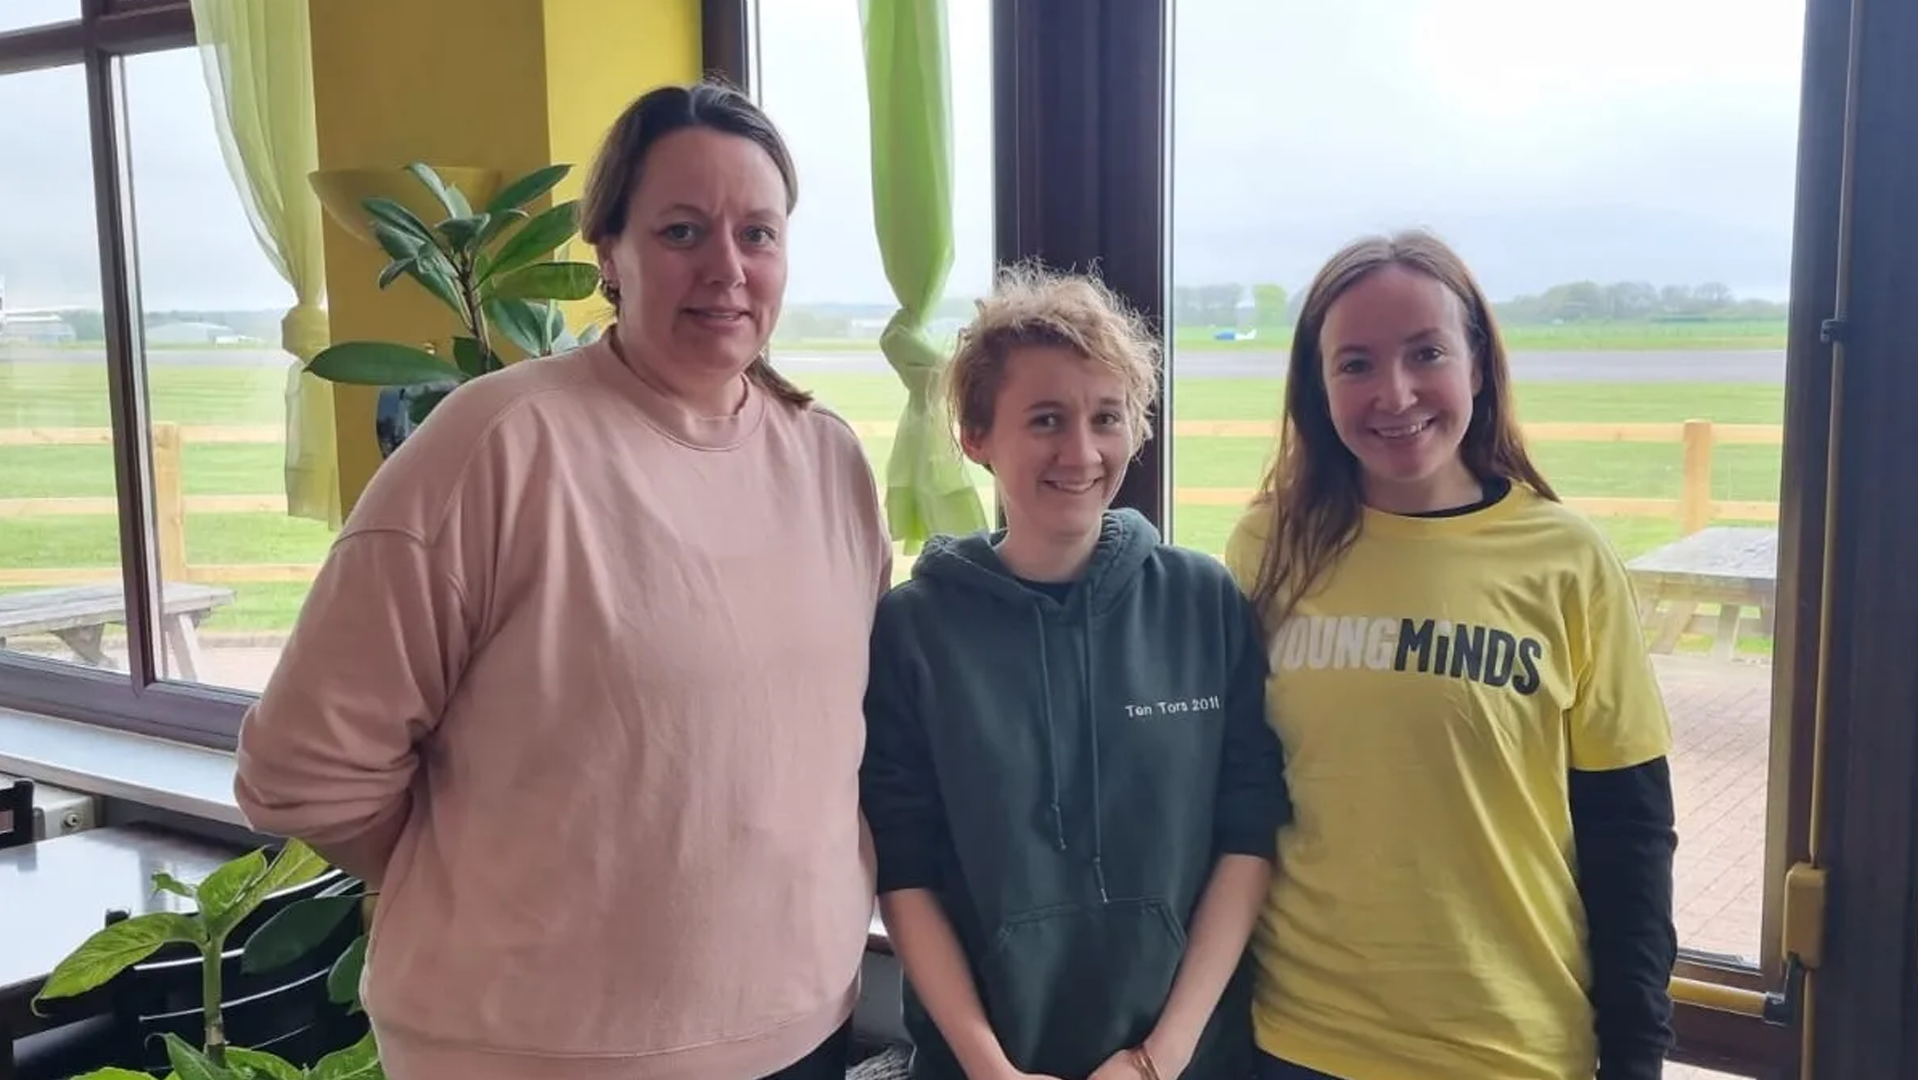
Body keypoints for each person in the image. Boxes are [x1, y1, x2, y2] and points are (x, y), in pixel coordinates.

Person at [231, 80, 893, 1080]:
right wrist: (502, 889)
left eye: (757, 234)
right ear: (609, 255)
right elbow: (303, 772)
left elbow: (833, 737)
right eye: (681, 230)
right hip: (533, 1055)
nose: (726, 267)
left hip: (803, 1030)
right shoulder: (498, 445)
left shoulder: (829, 460)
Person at [1222, 229, 1679, 1080]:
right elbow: (1230, 798)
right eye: (1354, 363)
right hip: (1298, 1042)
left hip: (1512, 1047)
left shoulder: (1568, 559)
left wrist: (1637, 1053)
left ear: (1477, 364)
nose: (1393, 394)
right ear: (1318, 390)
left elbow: (1632, 828)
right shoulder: (1267, 549)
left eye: (1425, 352)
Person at [860, 263, 1292, 1080]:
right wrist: (990, 1069)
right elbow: (905, 868)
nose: (1082, 452)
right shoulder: (914, 631)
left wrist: (1158, 1060)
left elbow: (1248, 833)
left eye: (1108, 417)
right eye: (1047, 419)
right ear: (976, 436)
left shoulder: (1202, 601)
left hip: (1191, 1059)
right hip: (985, 1064)